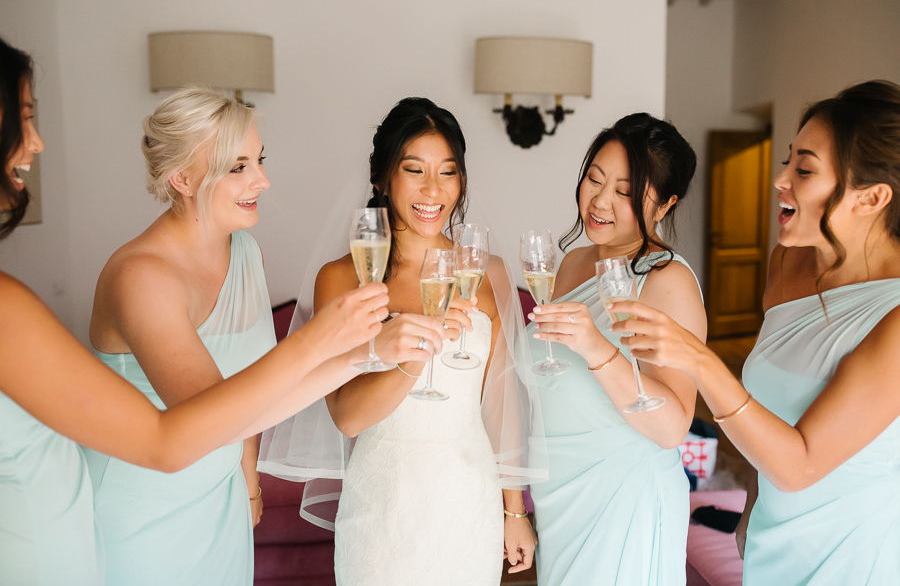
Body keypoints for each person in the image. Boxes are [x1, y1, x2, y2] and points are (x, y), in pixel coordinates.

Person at [0, 37, 394, 586]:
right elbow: (207, 415)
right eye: (238, 167)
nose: (262, 180)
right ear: (182, 180)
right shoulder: (141, 277)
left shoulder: (246, 253)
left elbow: (248, 405)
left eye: (259, 160)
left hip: (219, 497)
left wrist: (371, 353)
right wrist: (320, 341)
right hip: (143, 508)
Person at [613, 80, 900, 585]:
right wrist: (750, 503)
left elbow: (801, 464)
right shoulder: (787, 263)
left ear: (872, 196)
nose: (779, 179)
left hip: (853, 556)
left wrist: (699, 361)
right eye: (789, 161)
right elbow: (770, 420)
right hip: (769, 542)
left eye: (804, 169)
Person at [259, 97, 545, 586]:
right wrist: (417, 351)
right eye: (415, 170)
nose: (433, 189)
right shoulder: (342, 278)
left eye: (448, 172)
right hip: (382, 507)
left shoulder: (486, 271)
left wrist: (514, 511)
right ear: (382, 179)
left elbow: (500, 405)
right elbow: (347, 417)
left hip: (467, 503)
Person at [527, 112, 706, 585]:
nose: (600, 201)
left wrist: (595, 348)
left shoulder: (667, 281)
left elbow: (671, 425)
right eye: (594, 178)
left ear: (664, 206)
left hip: (623, 492)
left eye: (625, 192)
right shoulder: (573, 263)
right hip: (560, 491)